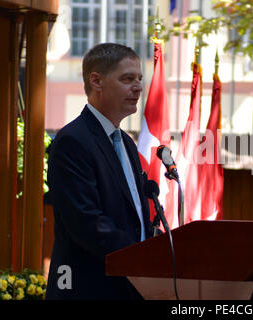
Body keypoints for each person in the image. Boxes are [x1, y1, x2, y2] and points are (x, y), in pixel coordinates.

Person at [46, 43, 155, 300]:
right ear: (96, 81)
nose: (138, 87)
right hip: (88, 288)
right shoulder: (73, 141)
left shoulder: (126, 143)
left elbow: (134, 219)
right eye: (127, 79)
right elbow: (87, 223)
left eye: (139, 79)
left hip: (129, 287)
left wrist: (161, 249)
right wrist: (142, 257)